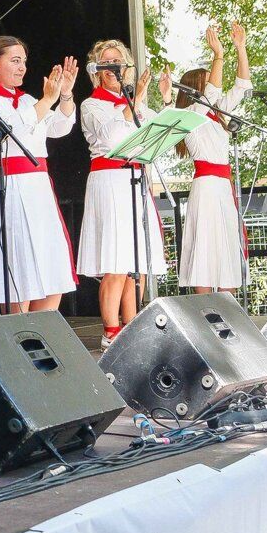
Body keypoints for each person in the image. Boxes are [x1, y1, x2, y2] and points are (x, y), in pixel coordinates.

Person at [0, 37, 78, 313]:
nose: (22, 68)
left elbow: (60, 128)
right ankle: (18, 337)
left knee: (51, 269)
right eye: (15, 61)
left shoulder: (27, 100)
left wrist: (64, 95)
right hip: (6, 185)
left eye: (24, 62)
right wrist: (47, 99)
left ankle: (40, 335)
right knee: (17, 271)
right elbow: (11, 130)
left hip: (37, 187)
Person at [76, 39, 170, 348]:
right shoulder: (92, 105)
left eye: (118, 61)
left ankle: (132, 328)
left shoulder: (134, 102)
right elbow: (112, 135)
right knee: (115, 263)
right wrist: (138, 101)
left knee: (134, 264)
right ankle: (110, 332)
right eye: (107, 61)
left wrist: (166, 101)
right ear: (98, 70)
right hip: (109, 180)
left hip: (135, 179)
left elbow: (161, 132)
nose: (113, 67)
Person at [169, 23, 252, 294]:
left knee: (226, 245)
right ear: (196, 88)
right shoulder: (192, 112)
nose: (215, 82)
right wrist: (218, 55)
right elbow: (213, 92)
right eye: (208, 80)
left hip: (222, 186)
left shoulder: (219, 113)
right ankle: (204, 314)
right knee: (205, 245)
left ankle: (228, 313)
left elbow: (242, 86)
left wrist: (240, 48)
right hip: (205, 187)